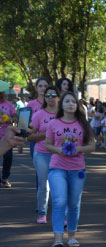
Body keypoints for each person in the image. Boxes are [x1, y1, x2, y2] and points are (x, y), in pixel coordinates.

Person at [45, 92, 95, 247]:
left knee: (73, 203)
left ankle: (72, 236)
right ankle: (58, 239)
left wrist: (77, 149)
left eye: (73, 101)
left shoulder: (83, 124)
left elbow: (92, 147)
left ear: (77, 105)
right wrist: (58, 150)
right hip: (57, 168)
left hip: (77, 169)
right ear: (62, 105)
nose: (71, 104)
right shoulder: (53, 124)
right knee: (59, 201)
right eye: (67, 101)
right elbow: (48, 145)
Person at [27, 86, 59, 223]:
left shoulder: (64, 114)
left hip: (59, 154)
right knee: (44, 184)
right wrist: (46, 134)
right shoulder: (39, 115)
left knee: (59, 185)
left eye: (53, 95)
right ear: (44, 98)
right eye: (48, 96)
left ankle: (61, 214)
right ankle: (42, 212)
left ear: (59, 97)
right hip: (42, 154)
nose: (51, 98)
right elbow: (30, 137)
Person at [0, 91, 17, 188]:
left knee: (8, 157)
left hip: (7, 135)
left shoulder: (8, 104)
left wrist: (10, 120)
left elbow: (15, 117)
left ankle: (5, 178)